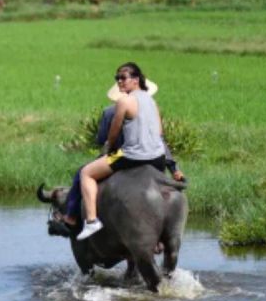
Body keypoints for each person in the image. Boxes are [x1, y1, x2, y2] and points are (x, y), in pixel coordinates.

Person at [62, 81, 184, 227]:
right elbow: (159, 141)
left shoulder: (109, 112)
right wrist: (174, 169)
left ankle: (72, 216)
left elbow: (103, 139)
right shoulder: (151, 110)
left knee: (82, 174)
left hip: (123, 157)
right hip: (153, 159)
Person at [76, 62, 170, 241]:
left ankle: (91, 220)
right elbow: (159, 132)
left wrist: (109, 147)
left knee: (86, 173)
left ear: (135, 80)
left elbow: (114, 130)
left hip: (133, 156)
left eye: (123, 78)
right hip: (158, 158)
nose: (119, 81)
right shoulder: (152, 101)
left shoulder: (124, 101)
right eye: (117, 78)